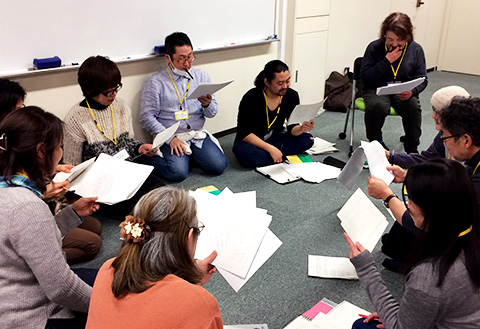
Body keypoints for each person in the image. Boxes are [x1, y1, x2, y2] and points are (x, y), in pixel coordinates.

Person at [347, 159, 480, 329]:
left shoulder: (429, 277)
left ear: (432, 211)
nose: (407, 205)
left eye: (410, 199)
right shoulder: (468, 234)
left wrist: (366, 268)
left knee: (361, 326)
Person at [0, 107, 99, 328]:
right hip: (33, 314)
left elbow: (29, 240)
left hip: (14, 287)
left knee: (108, 276)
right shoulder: (26, 205)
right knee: (117, 297)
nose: (61, 152)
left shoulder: (7, 186)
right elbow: (61, 289)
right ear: (41, 151)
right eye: (59, 147)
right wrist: (104, 306)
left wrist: (73, 213)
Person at [86, 186, 222, 328]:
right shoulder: (199, 303)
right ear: (189, 237)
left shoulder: (108, 268)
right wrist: (192, 288)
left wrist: (191, 281)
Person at [0, 77, 102, 264]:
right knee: (92, 244)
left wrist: (51, 169)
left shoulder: (15, 142)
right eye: (18, 109)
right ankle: (30, 261)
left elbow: (24, 173)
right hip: (25, 224)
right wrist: (44, 194)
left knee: (94, 226)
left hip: (38, 205)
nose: (23, 114)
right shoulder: (26, 205)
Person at [63, 55, 163, 219]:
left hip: (128, 170)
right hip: (100, 183)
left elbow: (129, 142)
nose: (114, 94)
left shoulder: (121, 106)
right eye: (108, 91)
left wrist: (140, 147)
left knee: (162, 192)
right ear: (90, 91)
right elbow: (72, 168)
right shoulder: (75, 119)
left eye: (116, 88)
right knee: (143, 210)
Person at [140, 32, 228, 182]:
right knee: (177, 173)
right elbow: (146, 117)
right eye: (181, 59)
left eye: (190, 57)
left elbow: (212, 113)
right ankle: (144, 160)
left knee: (218, 166)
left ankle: (188, 157)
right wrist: (169, 138)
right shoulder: (156, 82)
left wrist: (207, 105)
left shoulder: (201, 76)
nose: (187, 63)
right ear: (168, 58)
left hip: (195, 134)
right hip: (172, 136)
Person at [361, 12, 428, 154]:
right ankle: (377, 145)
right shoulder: (374, 48)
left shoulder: (416, 50)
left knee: (412, 106)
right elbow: (366, 77)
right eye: (390, 39)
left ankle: (412, 147)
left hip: (403, 90)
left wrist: (412, 92)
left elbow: (423, 79)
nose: (395, 44)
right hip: (377, 88)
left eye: (400, 40)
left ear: (408, 37)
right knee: (377, 106)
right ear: (384, 34)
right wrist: (386, 61)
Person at [232, 60, 314, 168]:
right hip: (253, 140)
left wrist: (301, 128)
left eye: (287, 81)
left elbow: (292, 127)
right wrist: (270, 149)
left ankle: (274, 155)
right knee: (248, 155)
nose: (285, 86)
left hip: (275, 137)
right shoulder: (251, 97)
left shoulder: (291, 95)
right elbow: (244, 133)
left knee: (308, 139)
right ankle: (278, 153)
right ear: (267, 82)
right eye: (280, 83)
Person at [387, 85, 470, 168]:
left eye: (437, 112)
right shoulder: (445, 133)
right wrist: (390, 156)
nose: (433, 116)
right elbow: (427, 159)